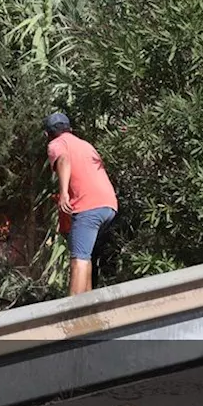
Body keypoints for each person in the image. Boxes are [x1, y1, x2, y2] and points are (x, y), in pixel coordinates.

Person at [43, 112, 119, 296]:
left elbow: (64, 160)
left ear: (47, 134)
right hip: (108, 205)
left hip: (88, 206)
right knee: (85, 255)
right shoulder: (86, 145)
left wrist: (63, 194)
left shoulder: (56, 144)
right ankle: (87, 305)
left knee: (78, 260)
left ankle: (73, 315)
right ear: (70, 128)